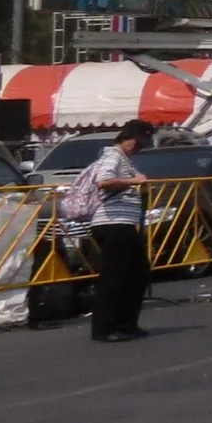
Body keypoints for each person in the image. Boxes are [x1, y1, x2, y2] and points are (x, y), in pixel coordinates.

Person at [84, 120, 155, 342]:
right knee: (113, 277)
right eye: (137, 143)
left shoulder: (124, 159)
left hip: (124, 223)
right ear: (127, 138)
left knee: (137, 273)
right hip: (112, 223)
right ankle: (104, 328)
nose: (139, 148)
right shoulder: (113, 156)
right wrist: (133, 181)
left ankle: (126, 323)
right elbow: (103, 182)